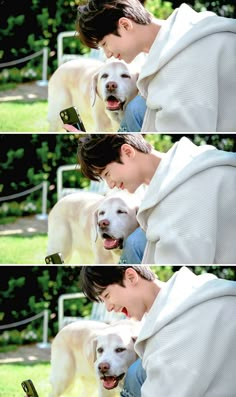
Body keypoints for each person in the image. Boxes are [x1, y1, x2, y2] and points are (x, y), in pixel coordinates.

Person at [75, 0, 236, 132]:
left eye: (105, 44)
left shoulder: (178, 71)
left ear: (125, 25)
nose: (107, 54)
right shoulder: (193, 26)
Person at [77, 134, 236, 264]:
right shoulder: (193, 158)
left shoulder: (179, 200)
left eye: (107, 174)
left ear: (128, 152)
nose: (110, 185)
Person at [79, 265, 236, 397]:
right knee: (135, 373)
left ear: (132, 277)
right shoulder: (202, 286)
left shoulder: (170, 337)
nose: (109, 307)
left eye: (107, 295)